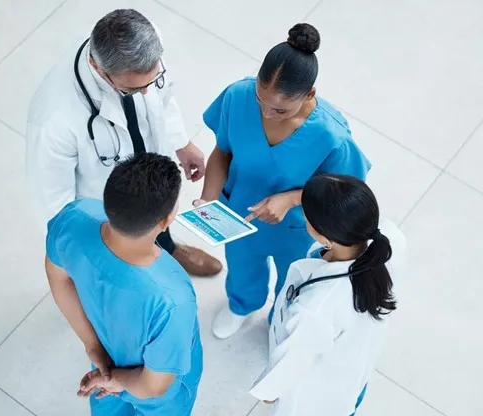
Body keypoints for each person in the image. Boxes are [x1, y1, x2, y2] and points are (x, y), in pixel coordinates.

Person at [197, 23, 371, 339]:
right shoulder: (238, 97)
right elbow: (222, 152)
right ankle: (242, 304)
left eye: (279, 109)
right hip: (237, 210)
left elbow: (343, 195)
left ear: (309, 95)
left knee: (292, 279)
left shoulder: (331, 136)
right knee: (241, 265)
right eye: (261, 100)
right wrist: (209, 198)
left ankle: (280, 319)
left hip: (296, 226)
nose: (266, 113)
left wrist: (291, 198)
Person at [27, 8, 222, 277]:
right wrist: (82, 255)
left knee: (156, 211)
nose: (145, 91)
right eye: (132, 89)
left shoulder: (146, 43)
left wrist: (181, 142)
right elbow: (54, 203)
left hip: (146, 164)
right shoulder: (55, 120)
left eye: (150, 81)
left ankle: (167, 247)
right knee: (125, 250)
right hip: (106, 205)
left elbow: (164, 95)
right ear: (98, 68)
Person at [45, 152, 203, 416]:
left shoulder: (74, 218)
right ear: (165, 220)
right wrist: (114, 380)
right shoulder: (172, 298)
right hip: (158, 399)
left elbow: (57, 277)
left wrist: (93, 346)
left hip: (105, 361)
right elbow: (154, 386)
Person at [249, 174, 406, 416]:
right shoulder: (386, 239)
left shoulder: (317, 308)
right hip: (352, 373)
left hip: (315, 399)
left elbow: (291, 364)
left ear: (325, 238)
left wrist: (270, 391)